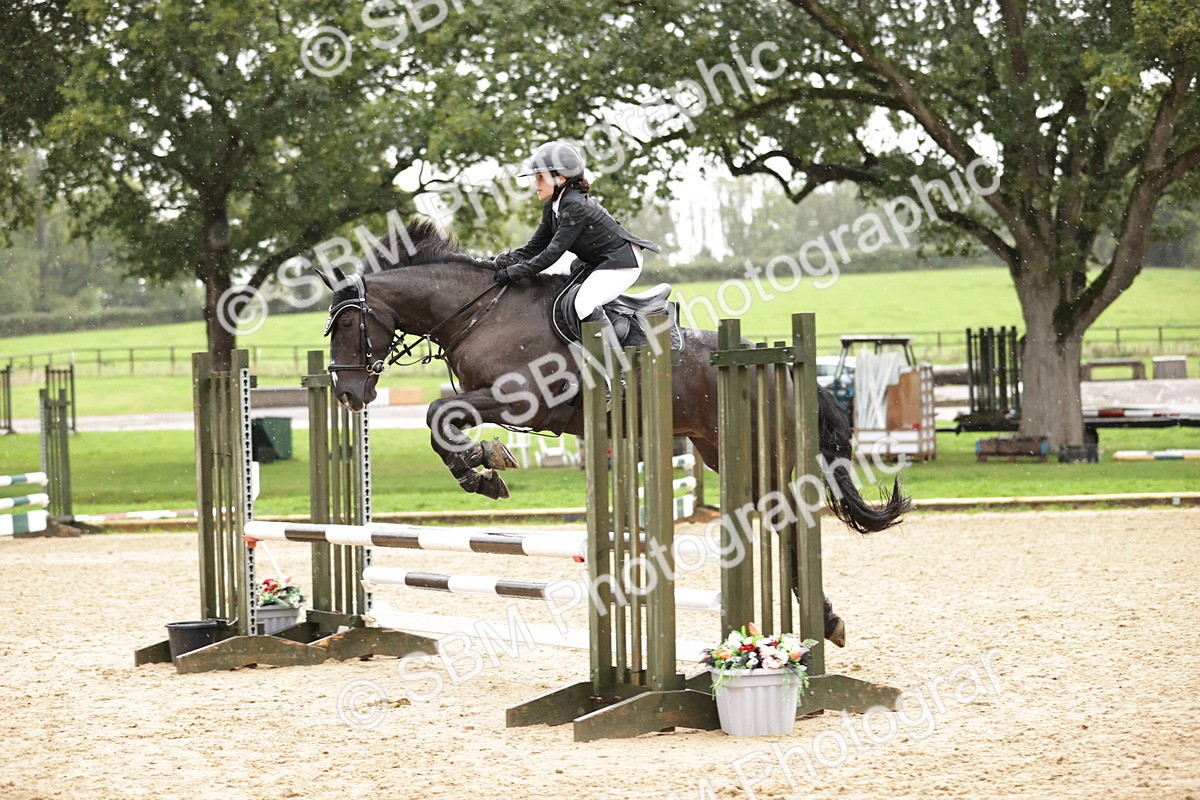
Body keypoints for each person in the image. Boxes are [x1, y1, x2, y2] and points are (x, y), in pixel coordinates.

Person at [493, 141, 660, 336]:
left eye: (540, 177)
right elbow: (534, 248)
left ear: (561, 178)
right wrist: (502, 262)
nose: (535, 183)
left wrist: (514, 272)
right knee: (549, 277)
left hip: (621, 262)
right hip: (596, 260)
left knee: (584, 304)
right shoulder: (553, 206)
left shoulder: (575, 206)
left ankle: (612, 353)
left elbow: (552, 253)